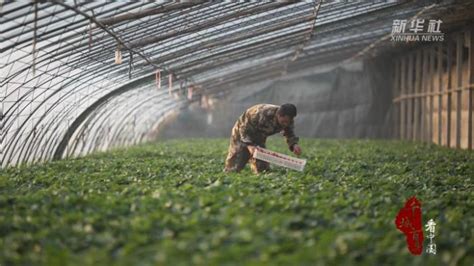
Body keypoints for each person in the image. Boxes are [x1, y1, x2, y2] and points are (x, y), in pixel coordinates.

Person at [224, 103, 301, 174]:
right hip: (241, 133)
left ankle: (259, 180)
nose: (286, 124)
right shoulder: (261, 113)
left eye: (288, 122)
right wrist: (249, 145)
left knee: (262, 166)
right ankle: (227, 176)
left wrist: (294, 144)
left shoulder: (288, 119)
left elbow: (289, 132)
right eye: (283, 121)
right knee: (238, 160)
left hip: (259, 136)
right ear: (279, 115)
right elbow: (244, 129)